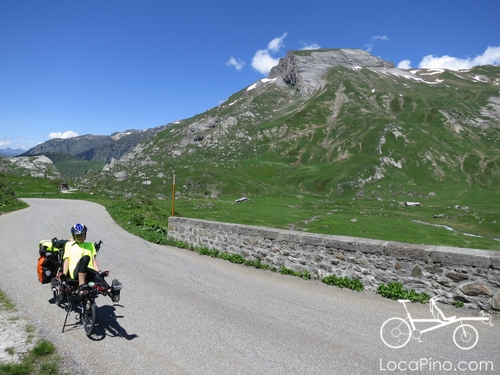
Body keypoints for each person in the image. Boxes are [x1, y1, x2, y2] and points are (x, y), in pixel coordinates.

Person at [60, 223, 122, 302]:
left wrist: (98, 271)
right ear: (73, 236)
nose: (80, 237)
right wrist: (64, 274)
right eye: (77, 236)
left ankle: (112, 293)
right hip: (76, 273)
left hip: (88, 271)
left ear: (85, 235)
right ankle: (81, 286)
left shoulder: (90, 245)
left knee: (98, 277)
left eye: (81, 235)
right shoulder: (69, 245)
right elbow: (67, 260)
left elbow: (93, 260)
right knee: (85, 258)